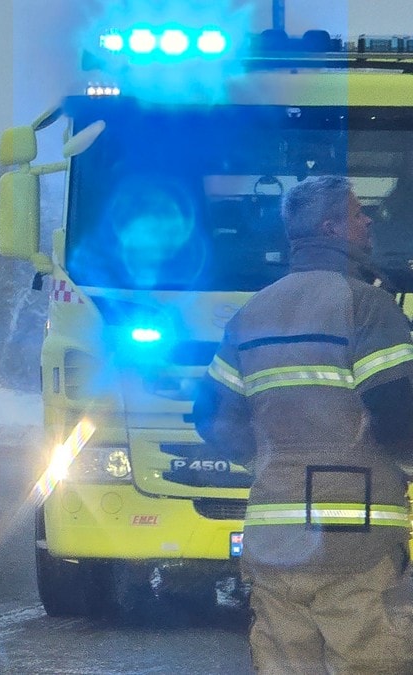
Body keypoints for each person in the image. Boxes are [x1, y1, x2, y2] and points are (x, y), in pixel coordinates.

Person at [192, 175, 413, 674]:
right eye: (357, 213)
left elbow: (209, 415)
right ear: (331, 228)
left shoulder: (252, 312)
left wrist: (267, 460)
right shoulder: (367, 305)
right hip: (357, 541)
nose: (368, 221)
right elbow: (397, 414)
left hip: (275, 543)